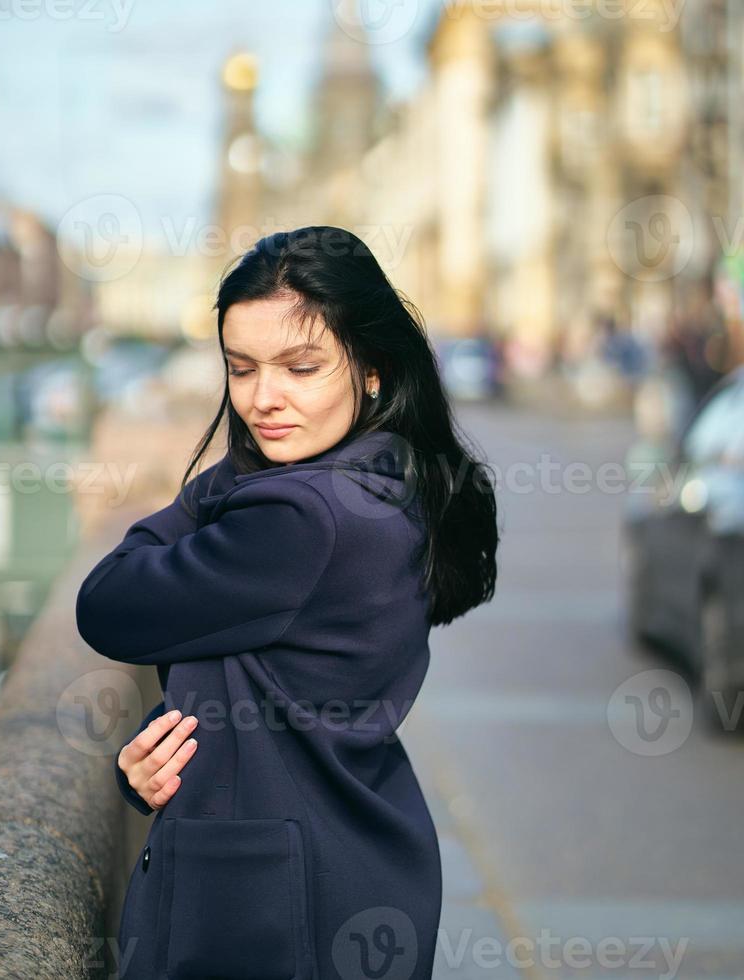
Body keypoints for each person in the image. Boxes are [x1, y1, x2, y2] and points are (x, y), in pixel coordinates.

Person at [75, 226, 499, 980]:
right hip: (344, 869)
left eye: (302, 368)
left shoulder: (304, 517)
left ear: (372, 369)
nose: (264, 400)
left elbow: (107, 604)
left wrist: (214, 487)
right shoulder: (388, 475)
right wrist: (150, 760)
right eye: (242, 370)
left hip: (274, 916)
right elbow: (265, 665)